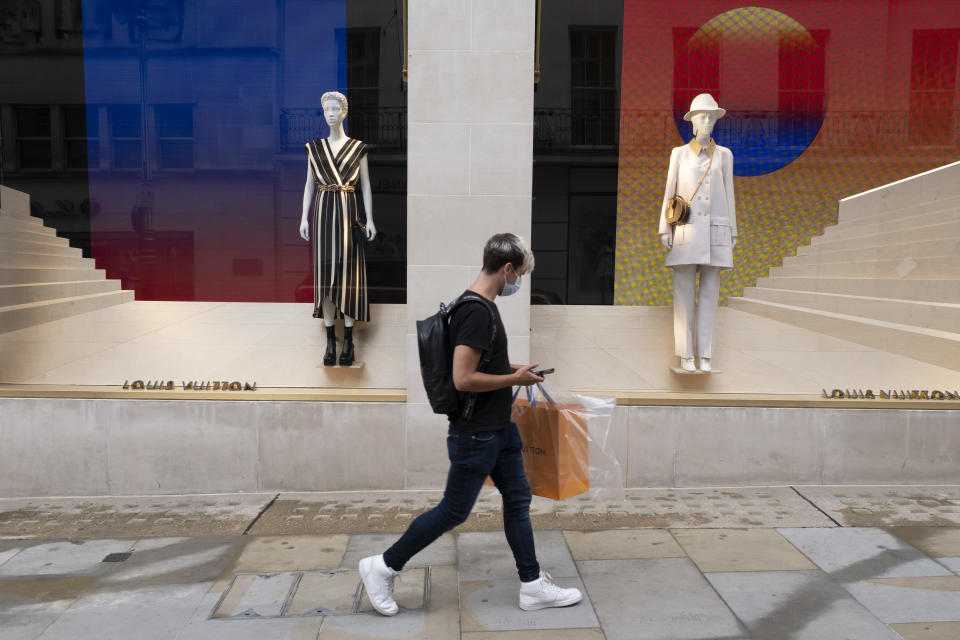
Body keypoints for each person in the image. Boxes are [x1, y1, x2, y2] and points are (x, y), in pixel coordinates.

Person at [359, 233, 583, 616]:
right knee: (453, 511)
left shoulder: (472, 306)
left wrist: (514, 368)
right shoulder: (477, 311)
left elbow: (478, 364)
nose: (518, 284)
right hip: (476, 433)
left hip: (499, 429)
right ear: (507, 268)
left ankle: (531, 585)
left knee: (517, 500)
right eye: (520, 275)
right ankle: (383, 566)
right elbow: (463, 378)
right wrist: (515, 381)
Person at [658, 93, 738, 373]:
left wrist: (733, 230)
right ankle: (685, 353)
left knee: (709, 296)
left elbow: (729, 194)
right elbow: (671, 194)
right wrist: (664, 229)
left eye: (711, 116)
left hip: (716, 231)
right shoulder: (678, 154)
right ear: (692, 122)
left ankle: (705, 352)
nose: (707, 121)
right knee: (683, 297)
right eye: (702, 116)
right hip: (685, 231)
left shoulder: (725, 155)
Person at [300, 91, 376, 367]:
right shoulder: (315, 148)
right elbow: (309, 184)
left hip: (348, 212)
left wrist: (371, 220)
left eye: (335, 109)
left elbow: (365, 185)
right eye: (326, 110)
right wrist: (303, 217)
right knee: (326, 278)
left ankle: (349, 340)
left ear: (344, 112)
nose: (331, 114)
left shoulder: (357, 148)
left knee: (348, 276)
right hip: (323, 213)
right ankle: (331, 339)